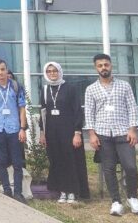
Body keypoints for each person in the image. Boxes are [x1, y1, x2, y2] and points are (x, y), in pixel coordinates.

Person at [85, 54, 138, 216]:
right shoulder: (91, 89)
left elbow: (132, 108)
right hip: (103, 134)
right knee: (108, 169)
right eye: (100, 65)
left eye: (106, 64)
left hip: (123, 133)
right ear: (96, 68)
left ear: (111, 65)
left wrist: (132, 130)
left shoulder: (124, 86)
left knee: (131, 167)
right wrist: (92, 135)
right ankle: (116, 201)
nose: (103, 68)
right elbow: (89, 113)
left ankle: (133, 198)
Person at [39, 61, 89, 204]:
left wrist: (77, 132)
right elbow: (43, 112)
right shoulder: (45, 89)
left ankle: (72, 191)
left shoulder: (70, 88)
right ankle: (62, 190)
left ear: (60, 71)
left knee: (70, 160)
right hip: (52, 132)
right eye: (49, 71)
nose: (52, 73)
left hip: (69, 131)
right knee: (57, 161)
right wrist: (42, 133)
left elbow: (77, 111)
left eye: (55, 70)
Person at [0, 59, 27, 203]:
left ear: (7, 69)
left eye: (2, 69)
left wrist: (23, 128)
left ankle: (18, 192)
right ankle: (7, 190)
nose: (0, 72)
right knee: (1, 160)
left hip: (14, 128)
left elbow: (22, 108)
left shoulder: (16, 86)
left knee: (17, 162)